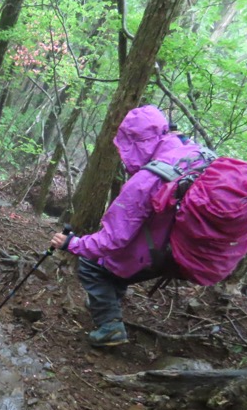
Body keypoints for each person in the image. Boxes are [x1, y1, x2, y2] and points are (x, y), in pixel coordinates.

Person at [50, 105, 210, 347]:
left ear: (134, 142)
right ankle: (105, 302)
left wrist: (72, 244)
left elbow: (112, 240)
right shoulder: (195, 153)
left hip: (158, 252)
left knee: (91, 264)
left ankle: (110, 327)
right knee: (118, 266)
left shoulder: (147, 179)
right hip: (188, 251)